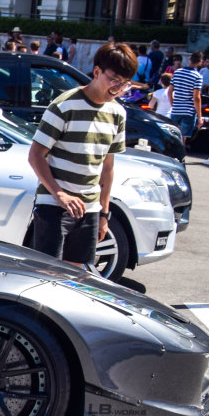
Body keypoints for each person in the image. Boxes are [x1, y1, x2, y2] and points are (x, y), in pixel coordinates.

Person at [27, 42, 136, 269]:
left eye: (124, 84)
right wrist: (60, 195)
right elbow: (36, 155)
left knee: (77, 277)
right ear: (97, 72)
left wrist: (104, 214)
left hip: (90, 207)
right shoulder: (65, 105)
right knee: (48, 273)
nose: (117, 88)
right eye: (114, 79)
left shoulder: (117, 113)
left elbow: (107, 168)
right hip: (54, 205)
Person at [167, 51, 203, 144]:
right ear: (200, 62)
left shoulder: (177, 72)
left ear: (189, 59)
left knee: (173, 135)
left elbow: (170, 91)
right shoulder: (197, 76)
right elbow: (196, 97)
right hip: (188, 111)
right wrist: (200, 117)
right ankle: (180, 156)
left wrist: (172, 103)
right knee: (183, 137)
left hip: (176, 109)